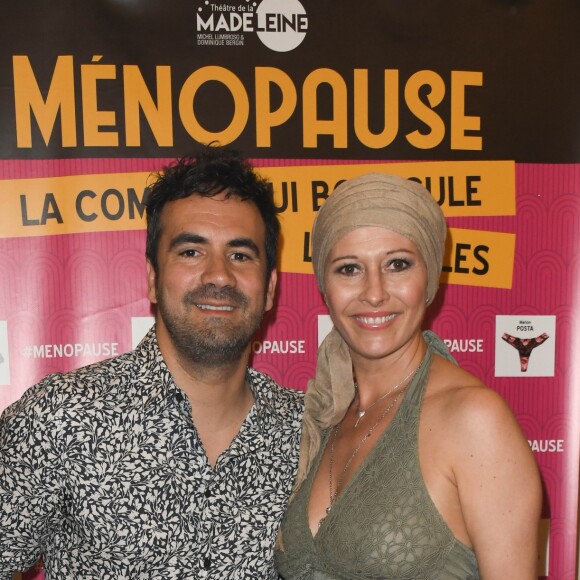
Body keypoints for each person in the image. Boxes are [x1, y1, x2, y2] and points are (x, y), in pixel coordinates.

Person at [0, 145, 304, 579]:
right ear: (152, 279)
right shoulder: (60, 418)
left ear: (270, 288)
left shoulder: (308, 433)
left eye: (241, 255)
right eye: (191, 252)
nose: (219, 275)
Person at [275, 173, 541, 579]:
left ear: (430, 278)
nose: (375, 292)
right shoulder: (325, 415)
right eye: (349, 269)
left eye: (397, 264)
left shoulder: (475, 420)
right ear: (324, 287)